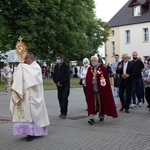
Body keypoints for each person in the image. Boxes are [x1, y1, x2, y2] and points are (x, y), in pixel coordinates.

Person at [10, 51, 50, 142]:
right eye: (24, 58)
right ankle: (27, 131)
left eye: (26, 58)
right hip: (24, 94)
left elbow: (33, 79)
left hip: (33, 95)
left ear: (31, 58)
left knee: (32, 113)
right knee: (25, 113)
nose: (24, 60)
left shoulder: (35, 67)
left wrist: (22, 67)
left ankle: (33, 133)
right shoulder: (23, 67)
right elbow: (16, 77)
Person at [86, 55, 118, 125]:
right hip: (92, 90)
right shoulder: (89, 69)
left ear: (97, 61)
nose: (93, 62)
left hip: (101, 90)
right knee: (92, 104)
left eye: (94, 60)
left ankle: (101, 115)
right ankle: (91, 117)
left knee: (101, 103)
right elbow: (88, 78)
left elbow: (105, 80)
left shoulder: (102, 69)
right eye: (92, 60)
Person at [53, 54, 70, 119]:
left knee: (64, 98)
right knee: (60, 98)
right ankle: (61, 111)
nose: (57, 60)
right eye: (56, 59)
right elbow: (54, 75)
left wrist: (61, 82)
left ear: (61, 59)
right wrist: (56, 82)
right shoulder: (56, 66)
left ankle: (64, 112)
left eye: (58, 59)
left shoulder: (66, 66)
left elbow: (67, 75)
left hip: (65, 85)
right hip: (58, 85)